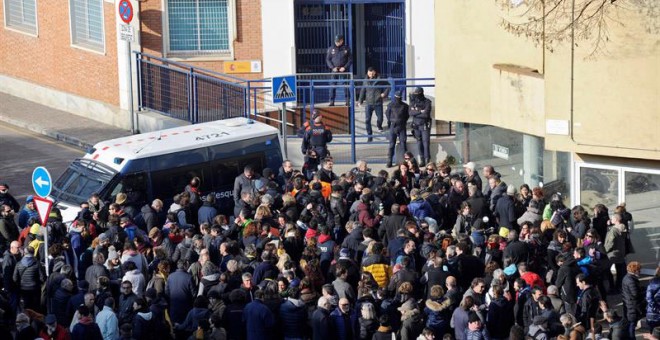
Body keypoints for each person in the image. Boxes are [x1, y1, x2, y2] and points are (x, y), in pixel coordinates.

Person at [358, 67, 390, 140]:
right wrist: (360, 101)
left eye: (371, 73)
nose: (370, 75)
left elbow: (388, 86)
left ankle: (379, 125)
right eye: (369, 73)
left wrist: (384, 93)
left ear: (375, 72)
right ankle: (369, 135)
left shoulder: (380, 79)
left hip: (378, 102)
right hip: (368, 103)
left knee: (380, 118)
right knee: (367, 120)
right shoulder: (365, 80)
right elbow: (362, 90)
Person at [326, 34, 352, 106]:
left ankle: (347, 101)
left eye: (338, 41)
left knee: (346, 86)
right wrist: (332, 67)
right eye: (336, 41)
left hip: (343, 70)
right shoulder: (331, 49)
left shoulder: (346, 49)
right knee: (332, 86)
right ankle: (331, 101)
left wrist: (345, 67)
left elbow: (350, 60)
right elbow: (328, 59)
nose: (337, 43)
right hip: (334, 70)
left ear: (342, 41)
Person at [385, 90, 409, 167]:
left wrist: (401, 121)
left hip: (401, 126)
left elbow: (407, 115)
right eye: (397, 97)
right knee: (392, 144)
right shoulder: (390, 105)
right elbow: (387, 114)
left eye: (399, 97)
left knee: (403, 144)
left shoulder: (405, 106)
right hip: (394, 126)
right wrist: (392, 121)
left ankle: (405, 161)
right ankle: (389, 161)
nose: (398, 98)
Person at [409, 87, 432, 165]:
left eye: (417, 94)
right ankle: (422, 159)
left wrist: (416, 111)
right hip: (416, 126)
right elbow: (410, 113)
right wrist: (420, 111)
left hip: (425, 125)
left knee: (426, 143)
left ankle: (427, 159)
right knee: (419, 142)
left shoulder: (427, 102)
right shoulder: (413, 102)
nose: (416, 95)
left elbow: (426, 114)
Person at [621, 261, 643, 339]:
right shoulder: (631, 280)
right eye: (639, 270)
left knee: (630, 324)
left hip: (628, 305)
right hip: (632, 307)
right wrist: (643, 292)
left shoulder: (627, 277)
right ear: (635, 270)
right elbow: (635, 294)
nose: (640, 271)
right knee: (631, 325)